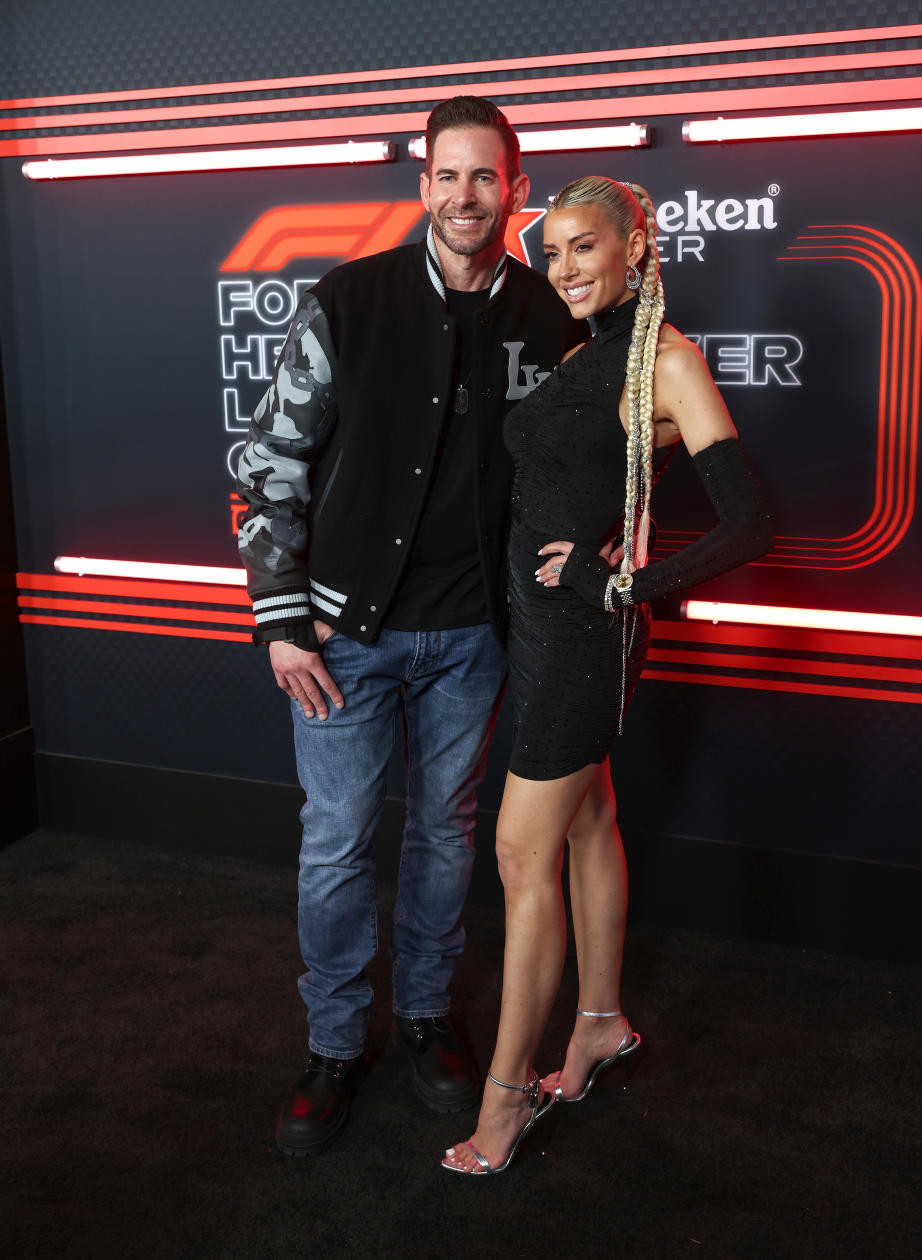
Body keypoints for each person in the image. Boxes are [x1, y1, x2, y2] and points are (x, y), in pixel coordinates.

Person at [234, 97, 587, 1156]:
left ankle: (427, 1017)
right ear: (421, 183)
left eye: (487, 178)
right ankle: (338, 1044)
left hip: (474, 640)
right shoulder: (350, 299)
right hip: (341, 639)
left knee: (444, 833)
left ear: (515, 192)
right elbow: (267, 465)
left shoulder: (549, 317)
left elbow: (598, 452)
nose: (466, 196)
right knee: (337, 844)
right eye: (448, 175)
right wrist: (281, 620)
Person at [442, 176, 772, 1174]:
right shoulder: (591, 355)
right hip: (539, 630)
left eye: (585, 248)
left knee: (517, 857)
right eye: (553, 254)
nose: (565, 269)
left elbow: (749, 524)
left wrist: (625, 585)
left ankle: (505, 1103)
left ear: (639, 247)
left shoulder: (666, 364)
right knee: (589, 823)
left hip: (583, 641)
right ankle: (597, 1025)